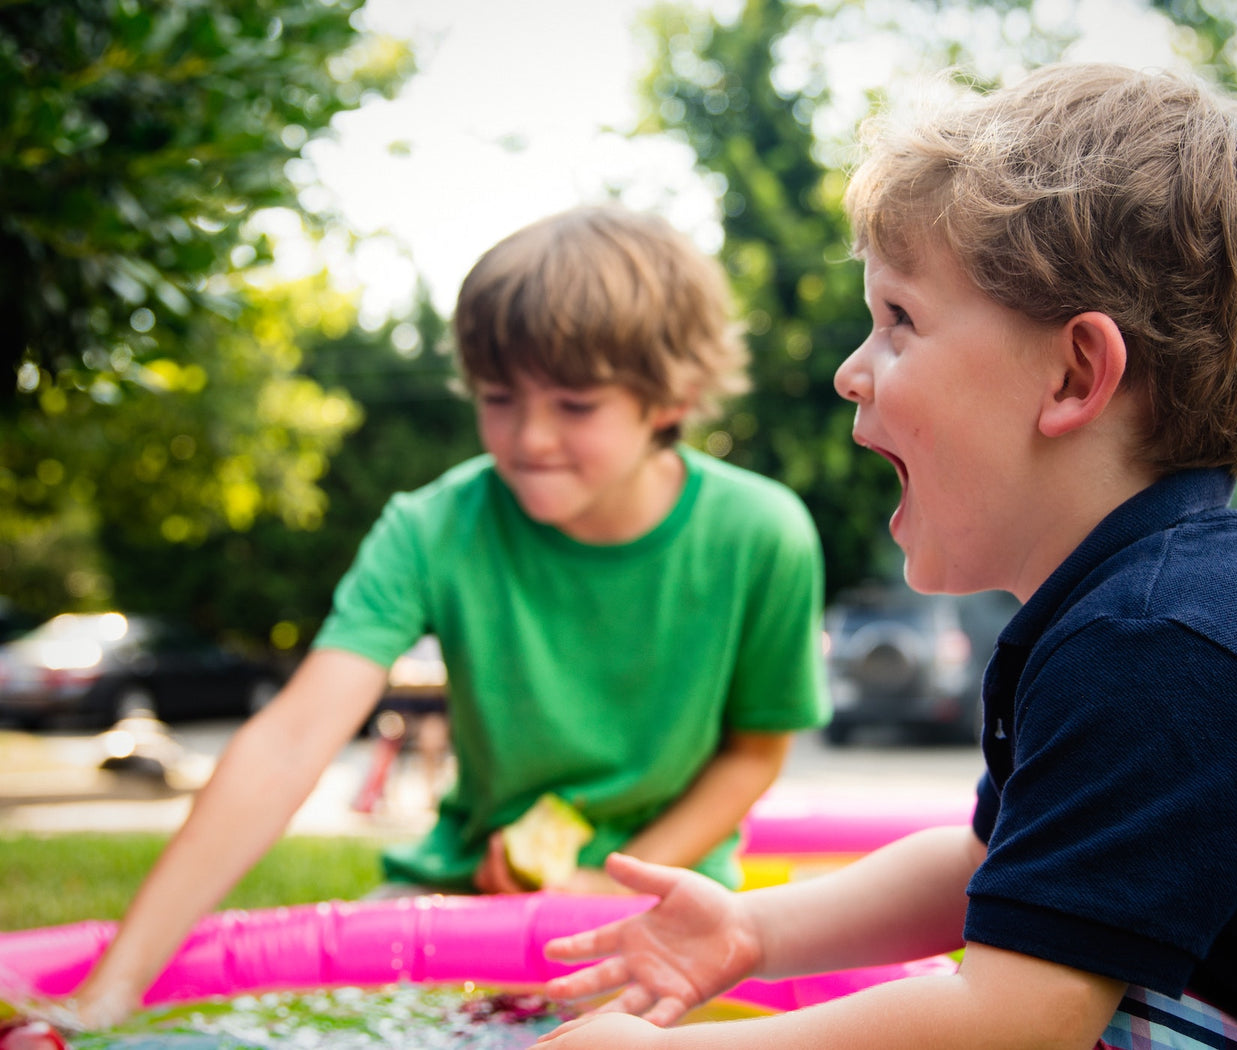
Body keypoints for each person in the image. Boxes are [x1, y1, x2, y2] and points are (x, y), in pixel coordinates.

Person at [531, 64, 1237, 1050]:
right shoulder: (1133, 611)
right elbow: (987, 865)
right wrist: (753, 929)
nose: (850, 371)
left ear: (1076, 373)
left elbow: (1014, 1022)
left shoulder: (1168, 644)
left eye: (900, 320)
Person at [67, 205, 831, 1026]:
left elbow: (753, 754)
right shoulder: (432, 527)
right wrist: (111, 989)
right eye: (498, 398)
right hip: (459, 891)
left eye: (575, 405)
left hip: (667, 902)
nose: (530, 437)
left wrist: (610, 880)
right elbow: (290, 741)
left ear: (670, 396)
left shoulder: (763, 534)